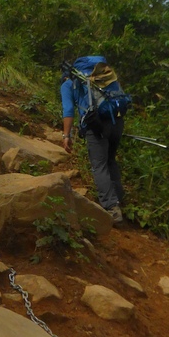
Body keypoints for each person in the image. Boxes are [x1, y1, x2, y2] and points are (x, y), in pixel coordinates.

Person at [60, 56, 125, 225]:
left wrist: (66, 136)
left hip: (95, 124)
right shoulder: (100, 78)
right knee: (110, 161)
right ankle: (119, 200)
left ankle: (112, 208)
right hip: (117, 122)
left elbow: (68, 110)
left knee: (99, 165)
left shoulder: (68, 85)